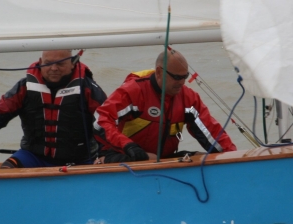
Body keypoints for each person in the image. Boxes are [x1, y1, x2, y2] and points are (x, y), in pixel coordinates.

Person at [0, 50, 107, 168]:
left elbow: (107, 122)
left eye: (60, 64)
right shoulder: (25, 87)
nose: (54, 68)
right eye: (49, 63)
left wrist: (108, 154)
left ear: (73, 64)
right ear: (40, 63)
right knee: (5, 174)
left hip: (81, 160)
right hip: (33, 157)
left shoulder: (87, 88)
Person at [93, 49, 236, 163]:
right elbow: (101, 121)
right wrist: (129, 146)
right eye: (177, 77)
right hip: (123, 155)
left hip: (162, 159)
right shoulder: (134, 91)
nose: (182, 83)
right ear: (160, 72)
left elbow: (211, 132)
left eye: (185, 77)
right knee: (148, 159)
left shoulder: (188, 98)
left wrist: (234, 158)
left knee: (203, 159)